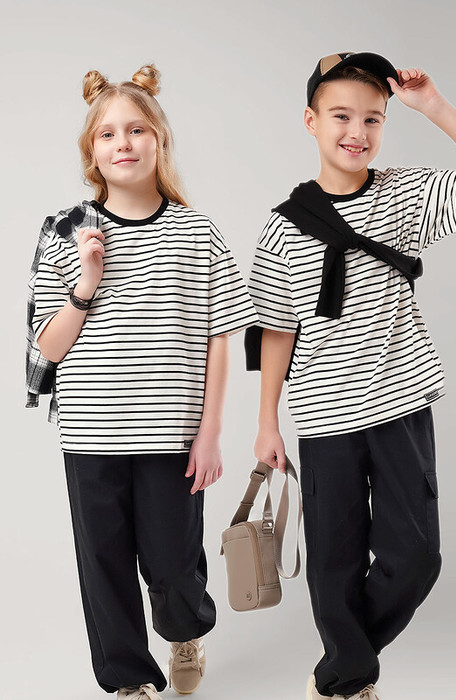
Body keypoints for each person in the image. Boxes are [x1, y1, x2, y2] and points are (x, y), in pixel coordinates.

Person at [245, 52, 456, 699]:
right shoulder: (281, 228)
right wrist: (266, 422)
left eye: (372, 119)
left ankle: (338, 670)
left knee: (416, 559)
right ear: (310, 121)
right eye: (340, 116)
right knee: (333, 564)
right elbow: (275, 330)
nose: (356, 131)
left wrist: (433, 105)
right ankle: (352, 683)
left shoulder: (402, 195)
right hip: (323, 418)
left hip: (399, 405)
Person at [26, 64, 259, 699]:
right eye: (107, 134)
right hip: (91, 434)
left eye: (136, 130)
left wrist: (209, 435)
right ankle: (129, 680)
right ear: (91, 151)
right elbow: (47, 348)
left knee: (174, 564)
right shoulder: (65, 231)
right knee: (103, 567)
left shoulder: (197, 231)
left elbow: (220, 338)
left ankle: (186, 633)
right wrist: (86, 281)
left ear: (160, 140)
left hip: (172, 435)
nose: (122, 143)